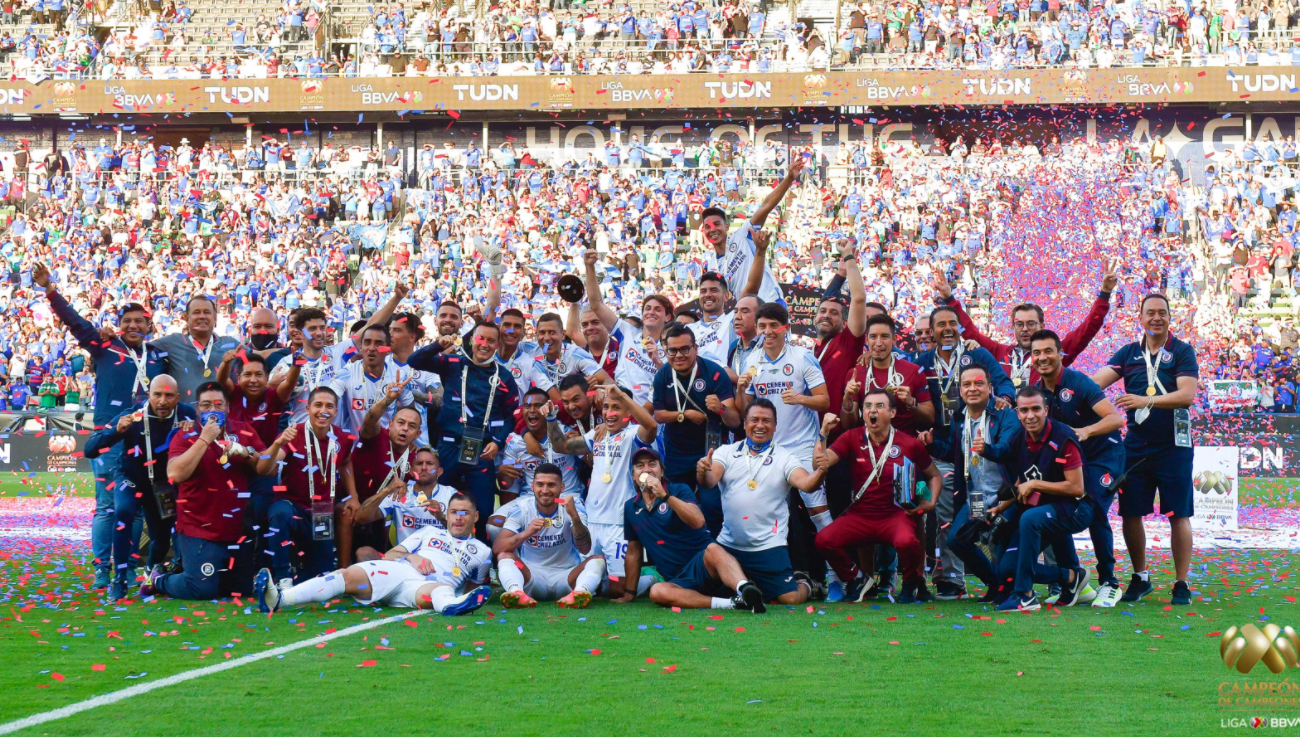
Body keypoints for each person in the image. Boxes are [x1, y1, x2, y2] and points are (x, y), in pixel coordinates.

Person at [33, 262, 165, 590]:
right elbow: (75, 323)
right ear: (117, 326)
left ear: (149, 325)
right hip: (109, 436)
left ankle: (129, 568)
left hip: (145, 439)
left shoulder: (159, 355)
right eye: (127, 321)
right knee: (106, 507)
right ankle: (101, 570)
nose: (134, 325)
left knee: (134, 509)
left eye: (140, 321)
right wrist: (50, 290)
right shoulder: (104, 346)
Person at [1092, 294, 1200, 606]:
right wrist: (1067, 387)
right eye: (1150, 313)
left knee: (1178, 514)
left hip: (1174, 446)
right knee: (1130, 512)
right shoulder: (1129, 353)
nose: (1156, 318)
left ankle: (1181, 582)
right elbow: (1095, 382)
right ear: (1140, 318)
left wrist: (1145, 400)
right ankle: (1141, 576)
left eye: (1162, 313)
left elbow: (1186, 395)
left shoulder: (1181, 351)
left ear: (1170, 317)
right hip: (1136, 446)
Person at [914, 304, 1016, 600]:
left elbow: (1003, 382)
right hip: (944, 453)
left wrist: (1005, 399)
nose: (947, 328)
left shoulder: (977, 355)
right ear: (931, 332)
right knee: (944, 519)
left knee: (985, 528)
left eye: (952, 323)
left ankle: (1005, 581)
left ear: (960, 327)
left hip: (979, 458)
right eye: (940, 324)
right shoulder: (922, 361)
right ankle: (953, 580)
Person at [255, 492, 492, 617]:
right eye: (454, 512)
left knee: (442, 591)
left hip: (426, 589)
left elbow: (475, 585)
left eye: (464, 512)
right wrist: (413, 557)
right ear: (447, 515)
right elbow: (390, 554)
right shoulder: (429, 531)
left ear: (476, 517)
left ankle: (452, 606)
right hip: (399, 570)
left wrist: (460, 592)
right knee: (344, 576)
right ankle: (278, 599)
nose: (459, 517)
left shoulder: (483, 551)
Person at [734, 301, 833, 586]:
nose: (768, 331)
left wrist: (800, 398)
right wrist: (740, 390)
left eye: (773, 326)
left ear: (785, 328)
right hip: (769, 449)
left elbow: (824, 400)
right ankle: (775, 576)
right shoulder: (751, 361)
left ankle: (837, 575)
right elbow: (745, 410)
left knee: (818, 512)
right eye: (762, 326)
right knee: (767, 513)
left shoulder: (803, 357)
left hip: (802, 445)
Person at [141, 382, 268, 601]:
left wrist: (247, 452)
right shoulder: (186, 434)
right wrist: (205, 439)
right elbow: (174, 474)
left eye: (218, 405)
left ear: (228, 407)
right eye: (206, 405)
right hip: (199, 527)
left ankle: (194, 570)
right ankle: (159, 578)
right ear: (197, 408)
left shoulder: (244, 430)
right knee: (201, 590)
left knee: (241, 591)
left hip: (236, 529)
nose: (213, 411)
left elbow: (267, 465)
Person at [696, 399, 830, 605]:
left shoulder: (785, 457)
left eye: (766, 420)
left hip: (768, 547)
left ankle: (806, 584)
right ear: (744, 423)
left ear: (775, 426)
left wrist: (820, 472)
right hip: (729, 546)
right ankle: (750, 584)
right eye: (754, 420)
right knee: (706, 589)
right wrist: (703, 472)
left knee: (791, 598)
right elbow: (709, 481)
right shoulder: (726, 452)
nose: (760, 425)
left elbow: (806, 484)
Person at [814, 389, 942, 603]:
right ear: (863, 412)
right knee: (823, 540)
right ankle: (857, 579)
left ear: (892, 412)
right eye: (867, 406)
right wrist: (824, 433)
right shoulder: (851, 437)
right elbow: (819, 463)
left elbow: (934, 475)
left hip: (895, 514)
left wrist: (931, 502)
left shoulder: (909, 442)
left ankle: (910, 583)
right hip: (861, 514)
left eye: (879, 406)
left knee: (907, 541)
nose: (872, 410)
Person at [1029, 329, 1127, 607]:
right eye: (1036, 353)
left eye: (1048, 351)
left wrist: (1085, 432)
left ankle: (1110, 583)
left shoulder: (1079, 382)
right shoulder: (1037, 390)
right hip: (1075, 461)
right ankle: (1077, 582)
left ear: (1060, 353)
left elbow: (1115, 419)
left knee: (1092, 507)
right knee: (1056, 506)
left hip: (1104, 456)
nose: (1042, 357)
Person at [83, 375, 196, 601]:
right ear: (149, 395)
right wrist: (116, 430)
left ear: (178, 398)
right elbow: (90, 450)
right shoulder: (133, 414)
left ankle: (151, 571)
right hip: (131, 478)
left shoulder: (187, 415)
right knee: (123, 512)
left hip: (164, 485)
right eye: (157, 395)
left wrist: (193, 432)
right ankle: (120, 579)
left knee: (162, 538)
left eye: (168, 395)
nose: (162, 401)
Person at [618, 446, 766, 612]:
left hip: (705, 565)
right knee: (657, 591)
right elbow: (633, 551)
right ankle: (733, 604)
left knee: (713, 549)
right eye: (639, 466)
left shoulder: (679, 490)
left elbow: (698, 521)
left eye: (652, 464)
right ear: (633, 476)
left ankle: (745, 589)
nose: (646, 469)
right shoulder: (630, 507)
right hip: (679, 581)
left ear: (661, 471)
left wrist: (665, 496)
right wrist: (629, 593)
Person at [407, 323, 521, 540]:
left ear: (498, 344)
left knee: (483, 510)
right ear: (471, 341)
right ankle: (442, 555)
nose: (484, 345)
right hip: (448, 447)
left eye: (490, 341)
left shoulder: (504, 377)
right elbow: (414, 361)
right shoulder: (452, 363)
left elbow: (511, 417)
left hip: (482, 451)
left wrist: (498, 442)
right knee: (443, 506)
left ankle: (482, 567)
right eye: (480, 339)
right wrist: (438, 345)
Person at [544, 383, 658, 598]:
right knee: (583, 579)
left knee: (616, 589)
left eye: (617, 407)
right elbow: (561, 446)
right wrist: (551, 418)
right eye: (606, 407)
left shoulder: (634, 434)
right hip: (592, 520)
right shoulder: (595, 435)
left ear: (628, 411)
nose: (609, 412)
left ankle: (651, 577)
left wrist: (622, 396)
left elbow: (651, 426)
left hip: (618, 524)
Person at [989, 387, 1094, 612]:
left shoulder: (1063, 436)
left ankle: (1025, 595)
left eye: (1036, 409)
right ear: (1017, 413)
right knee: (1009, 567)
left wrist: (1035, 485)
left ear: (1046, 410)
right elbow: (1024, 478)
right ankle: (1070, 576)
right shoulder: (1019, 436)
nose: (1030, 415)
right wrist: (1001, 506)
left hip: (1077, 507)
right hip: (1046, 507)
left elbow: (1077, 488)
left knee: (1030, 518)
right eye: (1024, 410)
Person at [932, 262, 1117, 387]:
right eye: (1019, 324)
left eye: (1031, 323)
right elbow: (969, 333)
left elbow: (1086, 331)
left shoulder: (1055, 353)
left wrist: (1104, 294)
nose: (1025, 329)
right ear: (1012, 327)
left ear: (1042, 326)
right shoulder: (999, 352)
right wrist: (950, 299)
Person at [928, 364, 1019, 602]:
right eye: (967, 384)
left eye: (979, 383)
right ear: (960, 390)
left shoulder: (1006, 414)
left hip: (1004, 496)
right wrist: (931, 444)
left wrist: (987, 449)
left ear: (990, 388)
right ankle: (995, 583)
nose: (973, 388)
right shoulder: (960, 418)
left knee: (999, 543)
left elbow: (1008, 449)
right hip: (976, 496)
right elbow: (952, 454)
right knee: (957, 540)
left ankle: (1008, 589)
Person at [260, 386, 358, 588]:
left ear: (336, 411)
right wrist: (278, 444)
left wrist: (354, 496)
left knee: (320, 575)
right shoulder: (294, 433)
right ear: (308, 408)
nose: (323, 410)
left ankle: (301, 580)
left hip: (322, 511)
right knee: (279, 514)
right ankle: (282, 577)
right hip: (292, 504)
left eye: (329, 406)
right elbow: (263, 468)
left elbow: (346, 461)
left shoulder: (342, 438)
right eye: (318, 405)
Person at [494, 463, 606, 609]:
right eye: (540, 484)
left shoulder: (573, 505)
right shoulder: (522, 508)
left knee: (598, 560)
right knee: (504, 556)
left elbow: (585, 549)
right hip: (531, 575)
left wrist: (574, 517)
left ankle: (579, 593)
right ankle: (516, 592)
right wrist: (526, 533)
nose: (545, 490)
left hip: (566, 575)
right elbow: (498, 547)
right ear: (532, 486)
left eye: (551, 485)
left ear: (562, 488)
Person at [699, 155, 805, 304]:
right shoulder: (711, 264)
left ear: (727, 227)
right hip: (746, 313)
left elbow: (765, 206)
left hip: (770, 302)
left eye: (717, 224)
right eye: (707, 227)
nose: (712, 230)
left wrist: (788, 179)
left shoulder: (742, 235)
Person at [343, 376, 421, 566]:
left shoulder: (415, 456)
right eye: (400, 423)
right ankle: (341, 569)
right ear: (390, 424)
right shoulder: (377, 435)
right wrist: (388, 399)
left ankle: (390, 561)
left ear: (418, 434)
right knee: (345, 511)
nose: (404, 430)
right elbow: (369, 420)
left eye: (411, 427)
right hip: (352, 502)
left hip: (379, 514)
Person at [488, 388, 586, 540]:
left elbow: (592, 461)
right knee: (494, 525)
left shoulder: (565, 433)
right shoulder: (514, 442)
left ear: (546, 409)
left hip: (566, 497)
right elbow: (509, 483)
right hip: (530, 499)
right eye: (527, 406)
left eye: (538, 406)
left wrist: (580, 443)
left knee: (579, 528)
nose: (532, 410)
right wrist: (502, 471)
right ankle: (516, 560)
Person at [653, 323, 739, 491]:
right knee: (678, 501)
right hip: (677, 452)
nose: (678, 355)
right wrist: (684, 414)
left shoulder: (714, 372)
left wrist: (720, 408)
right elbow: (659, 415)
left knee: (711, 506)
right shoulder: (662, 375)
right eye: (672, 350)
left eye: (685, 349)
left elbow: (734, 421)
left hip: (711, 450)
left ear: (696, 349)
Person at [583, 248, 673, 406]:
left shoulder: (671, 349)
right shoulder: (627, 332)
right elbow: (596, 304)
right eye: (647, 308)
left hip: (647, 417)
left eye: (657, 309)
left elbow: (673, 385)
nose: (651, 312)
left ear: (668, 317)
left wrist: (658, 362)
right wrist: (589, 267)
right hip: (618, 409)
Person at [219, 352, 296, 524]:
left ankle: (261, 547)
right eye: (247, 374)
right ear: (238, 377)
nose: (253, 380)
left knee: (261, 516)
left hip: (263, 466)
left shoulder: (272, 396)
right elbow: (222, 381)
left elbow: (290, 383)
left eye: (258, 375)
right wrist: (225, 363)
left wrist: (296, 365)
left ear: (267, 377)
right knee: (234, 518)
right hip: (235, 465)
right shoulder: (235, 393)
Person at [351, 446, 458, 559]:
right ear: (411, 471)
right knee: (363, 553)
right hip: (404, 559)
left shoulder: (451, 494)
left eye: (430, 463)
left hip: (439, 559)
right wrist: (387, 490)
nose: (424, 467)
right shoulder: (400, 494)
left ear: (439, 471)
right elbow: (359, 518)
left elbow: (465, 531)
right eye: (419, 463)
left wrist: (440, 516)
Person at [150, 296, 242, 403]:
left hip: (221, 417)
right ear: (186, 318)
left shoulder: (230, 343)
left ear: (215, 318)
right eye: (196, 312)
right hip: (185, 418)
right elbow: (139, 349)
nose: (202, 316)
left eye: (207, 312)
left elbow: (259, 356)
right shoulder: (171, 343)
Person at [329, 324, 415, 434]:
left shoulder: (400, 377)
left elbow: (411, 412)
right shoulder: (346, 373)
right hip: (353, 446)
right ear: (360, 347)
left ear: (388, 350)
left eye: (378, 344)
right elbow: (329, 398)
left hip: (385, 445)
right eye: (367, 342)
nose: (372, 348)